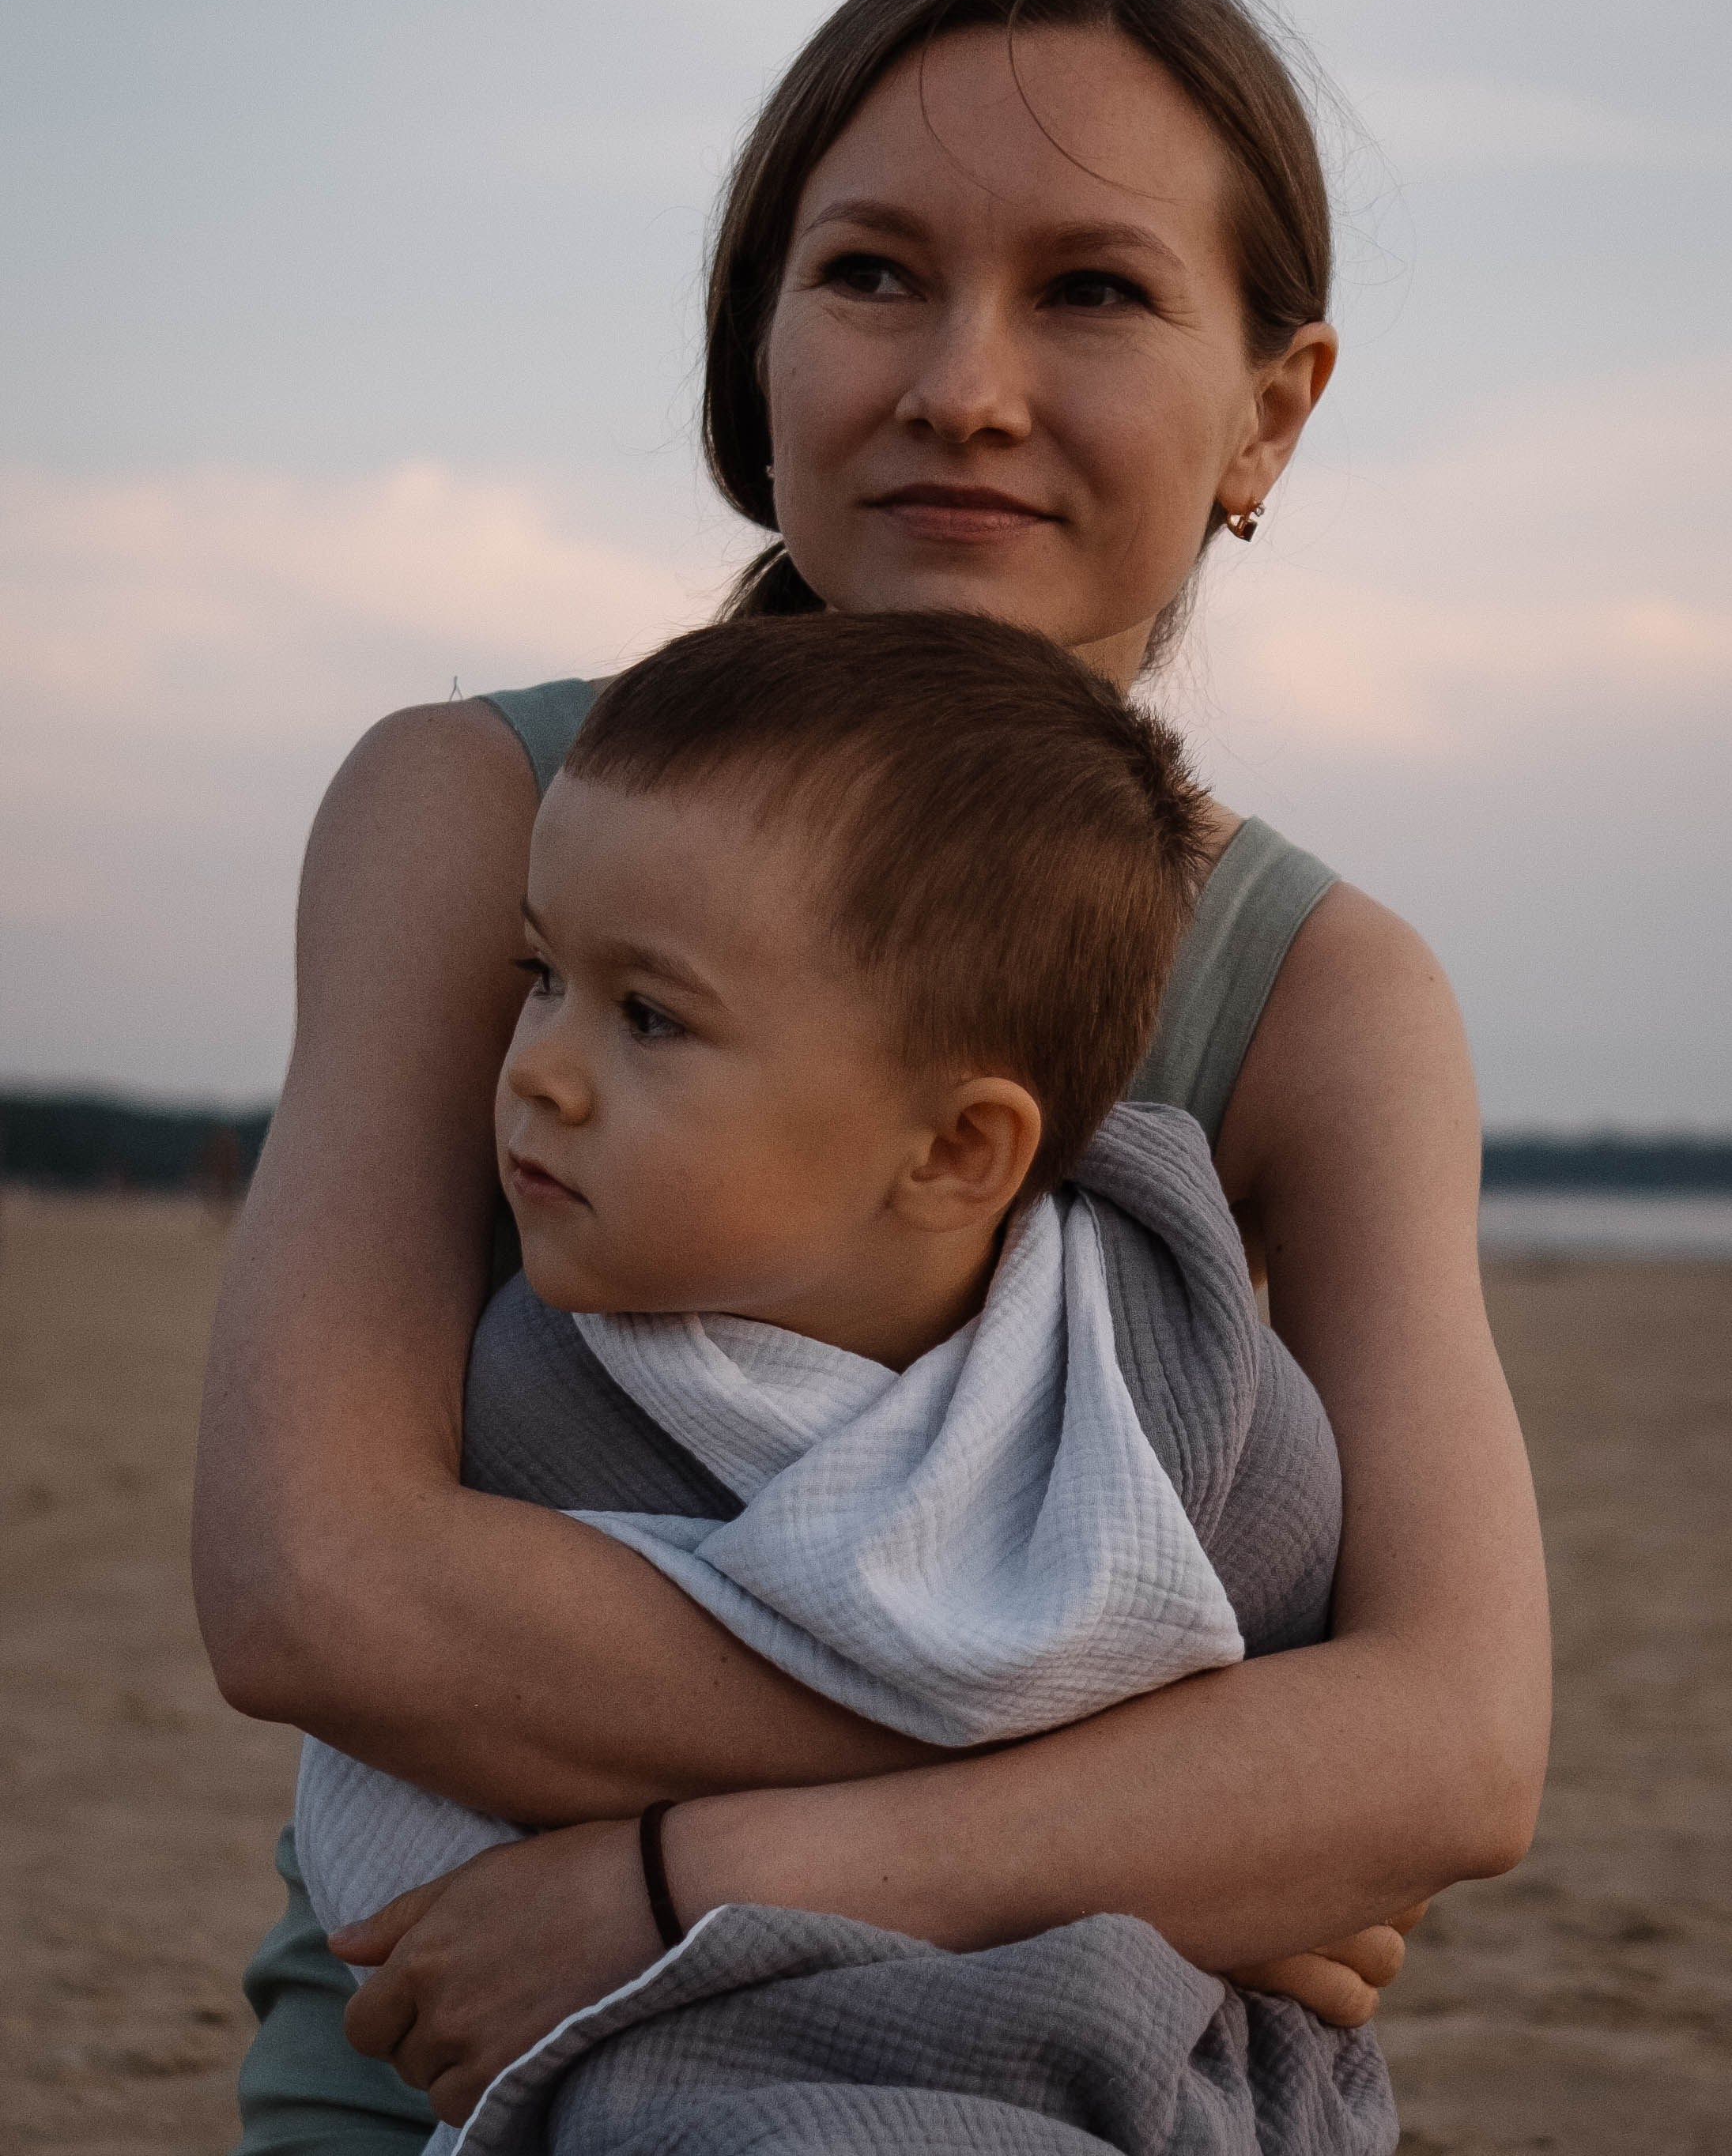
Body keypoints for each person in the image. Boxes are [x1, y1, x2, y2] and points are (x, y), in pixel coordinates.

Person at [193, 0, 1549, 2153]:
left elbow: (1458, 1748)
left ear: (1272, 408)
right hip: (453, 2057)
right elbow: (311, 1585)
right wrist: (1177, 1807)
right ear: (758, 346)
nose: (962, 387)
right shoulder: (485, 812)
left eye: (1091, 291)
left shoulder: (1321, 995)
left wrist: (695, 1881)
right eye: (871, 274)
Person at [293, 609, 1394, 2150]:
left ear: (955, 1151)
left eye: (649, 1014)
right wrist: (1155, 1833)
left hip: (1108, 2047)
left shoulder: (1170, 1388)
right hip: (693, 2066)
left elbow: (1324, 1783)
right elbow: (429, 1778)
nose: (535, 1065)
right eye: (542, 974)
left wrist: (1248, 1856)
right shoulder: (542, 1401)